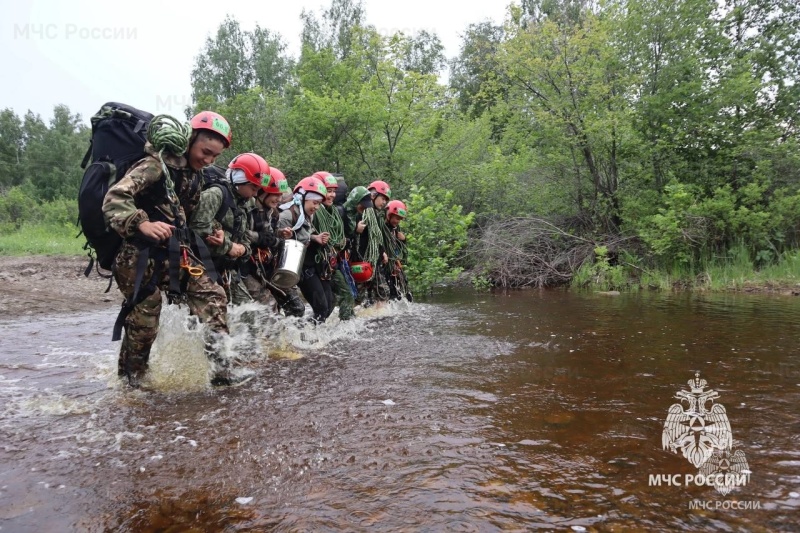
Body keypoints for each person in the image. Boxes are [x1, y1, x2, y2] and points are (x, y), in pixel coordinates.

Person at [102, 111, 249, 388]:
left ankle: (221, 372)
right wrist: (141, 223)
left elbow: (186, 215)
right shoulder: (155, 166)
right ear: (190, 140)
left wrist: (217, 230)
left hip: (176, 253)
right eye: (205, 152)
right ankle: (133, 382)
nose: (208, 160)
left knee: (213, 296)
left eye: (215, 157)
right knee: (146, 313)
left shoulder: (195, 176)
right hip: (138, 255)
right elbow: (115, 197)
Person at [189, 152, 264, 305]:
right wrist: (228, 247)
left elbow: (244, 238)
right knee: (213, 316)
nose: (256, 194)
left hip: (227, 268)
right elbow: (197, 229)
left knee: (249, 315)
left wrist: (243, 250)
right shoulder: (215, 195)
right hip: (201, 265)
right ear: (239, 181)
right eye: (253, 188)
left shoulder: (246, 204)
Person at [242, 166, 306, 317]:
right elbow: (241, 234)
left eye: (280, 195)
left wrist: (280, 234)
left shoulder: (273, 213)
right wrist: (263, 238)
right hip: (246, 267)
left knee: (296, 307)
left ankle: (290, 338)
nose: (278, 199)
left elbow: (270, 235)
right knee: (268, 309)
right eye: (274, 194)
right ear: (261, 192)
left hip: (267, 265)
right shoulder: (246, 209)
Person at [278, 176, 333, 323]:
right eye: (314, 203)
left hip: (309, 265)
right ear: (303, 199)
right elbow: (274, 241)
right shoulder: (287, 215)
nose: (316, 207)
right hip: (296, 268)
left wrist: (315, 238)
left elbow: (305, 235)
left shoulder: (308, 215)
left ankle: (310, 335)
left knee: (329, 306)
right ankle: (305, 337)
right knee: (320, 309)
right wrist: (284, 236)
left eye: (319, 204)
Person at [312, 172, 355, 320]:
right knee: (334, 300)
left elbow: (339, 237)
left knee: (334, 301)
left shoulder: (333, 212)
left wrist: (342, 243)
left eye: (333, 191)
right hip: (316, 264)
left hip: (330, 263)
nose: (331, 195)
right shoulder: (313, 212)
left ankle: (340, 328)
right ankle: (346, 327)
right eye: (328, 191)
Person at [343, 186, 390, 305]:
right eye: (382, 198)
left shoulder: (376, 216)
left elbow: (376, 236)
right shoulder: (353, 215)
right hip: (359, 260)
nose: (384, 202)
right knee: (359, 295)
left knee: (383, 291)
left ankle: (380, 318)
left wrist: (382, 251)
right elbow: (347, 236)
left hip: (374, 260)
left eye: (386, 200)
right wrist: (356, 230)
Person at [382, 199, 412, 301]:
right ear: (389, 215)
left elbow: (398, 246)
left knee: (401, 289)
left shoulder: (395, 228)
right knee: (387, 291)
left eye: (400, 219)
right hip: (384, 264)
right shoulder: (382, 227)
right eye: (396, 218)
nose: (397, 221)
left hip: (393, 264)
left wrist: (404, 240)